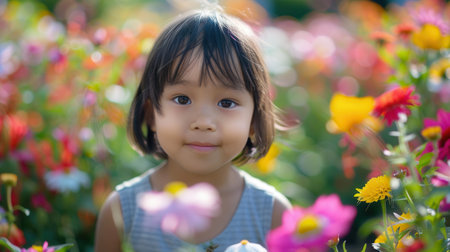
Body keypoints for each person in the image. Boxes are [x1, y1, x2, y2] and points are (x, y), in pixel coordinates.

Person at [94, 7, 291, 252]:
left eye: (226, 103)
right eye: (182, 99)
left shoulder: (272, 215)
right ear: (151, 114)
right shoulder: (123, 212)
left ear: (253, 121)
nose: (203, 121)